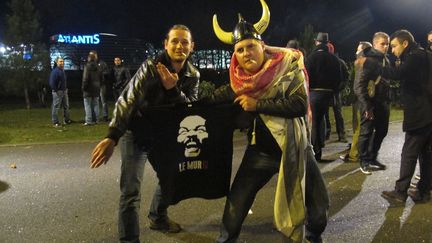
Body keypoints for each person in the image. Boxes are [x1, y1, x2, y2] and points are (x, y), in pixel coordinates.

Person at [212, 1, 328, 241]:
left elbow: (298, 104)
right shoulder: (240, 80)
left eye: (250, 46)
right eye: (240, 50)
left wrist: (257, 105)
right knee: (235, 205)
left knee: (318, 210)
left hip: (296, 147)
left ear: (262, 45)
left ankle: (314, 236)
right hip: (260, 153)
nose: (246, 53)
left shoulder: (288, 65)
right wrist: (180, 101)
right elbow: (218, 96)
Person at [89, 24, 199, 242]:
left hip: (163, 135)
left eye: (185, 41)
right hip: (136, 132)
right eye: (174, 41)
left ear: (192, 47)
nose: (179, 45)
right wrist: (112, 136)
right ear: (166, 44)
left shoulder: (192, 75)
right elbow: (128, 100)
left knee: (171, 179)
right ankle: (129, 239)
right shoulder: (151, 67)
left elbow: (190, 111)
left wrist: (173, 90)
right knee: (130, 193)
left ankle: (158, 217)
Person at [357, 29, 432, 203]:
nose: (392, 50)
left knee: (409, 153)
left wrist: (369, 63)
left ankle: (400, 192)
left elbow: (396, 75)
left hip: (419, 113)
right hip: (428, 112)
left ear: (405, 43)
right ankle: (423, 191)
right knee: (426, 154)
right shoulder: (425, 55)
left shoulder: (415, 56)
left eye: (394, 46)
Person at [354, 32, 391, 175]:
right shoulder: (368, 59)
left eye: (387, 44)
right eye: (383, 44)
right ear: (375, 44)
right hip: (369, 103)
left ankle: (372, 157)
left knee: (382, 131)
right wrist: (367, 106)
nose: (386, 46)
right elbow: (359, 86)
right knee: (366, 132)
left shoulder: (385, 59)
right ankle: (363, 161)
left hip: (382, 102)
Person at [306, 32, 344, 161]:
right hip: (328, 95)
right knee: (322, 119)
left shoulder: (311, 58)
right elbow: (339, 79)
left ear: (316, 42)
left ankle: (316, 151)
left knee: (315, 122)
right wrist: (334, 90)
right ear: (327, 43)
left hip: (314, 93)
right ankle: (320, 145)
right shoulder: (334, 59)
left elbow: (306, 78)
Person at [340, 41, 372, 163]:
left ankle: (355, 154)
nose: (356, 52)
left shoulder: (362, 63)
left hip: (360, 100)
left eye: (358, 49)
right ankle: (361, 151)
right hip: (359, 100)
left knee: (359, 127)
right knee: (360, 127)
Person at [324, 42, 348, 142]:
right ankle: (327, 133)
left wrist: (340, 88)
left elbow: (346, 76)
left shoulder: (339, 62)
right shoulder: (324, 61)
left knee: (338, 113)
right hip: (325, 91)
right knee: (325, 114)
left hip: (335, 92)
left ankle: (341, 134)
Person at [49, 57, 71, 127]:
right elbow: (52, 83)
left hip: (64, 91)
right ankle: (55, 122)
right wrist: (56, 90)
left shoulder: (62, 71)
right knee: (56, 107)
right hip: (58, 92)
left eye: (62, 61)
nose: (62, 63)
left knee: (66, 106)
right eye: (60, 62)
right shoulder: (55, 71)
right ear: (57, 62)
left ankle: (66, 120)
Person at [82, 52, 103, 126]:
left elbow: (85, 78)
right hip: (96, 88)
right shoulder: (98, 66)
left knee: (87, 105)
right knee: (96, 105)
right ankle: (96, 120)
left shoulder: (87, 66)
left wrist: (83, 87)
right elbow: (101, 78)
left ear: (89, 58)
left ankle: (89, 121)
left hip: (88, 88)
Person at [90, 50, 110, 121]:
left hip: (102, 85)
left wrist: (100, 74)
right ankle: (95, 116)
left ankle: (105, 116)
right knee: (94, 101)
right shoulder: (90, 64)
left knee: (104, 101)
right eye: (92, 55)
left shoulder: (102, 64)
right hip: (94, 86)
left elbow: (107, 72)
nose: (94, 57)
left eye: (94, 55)